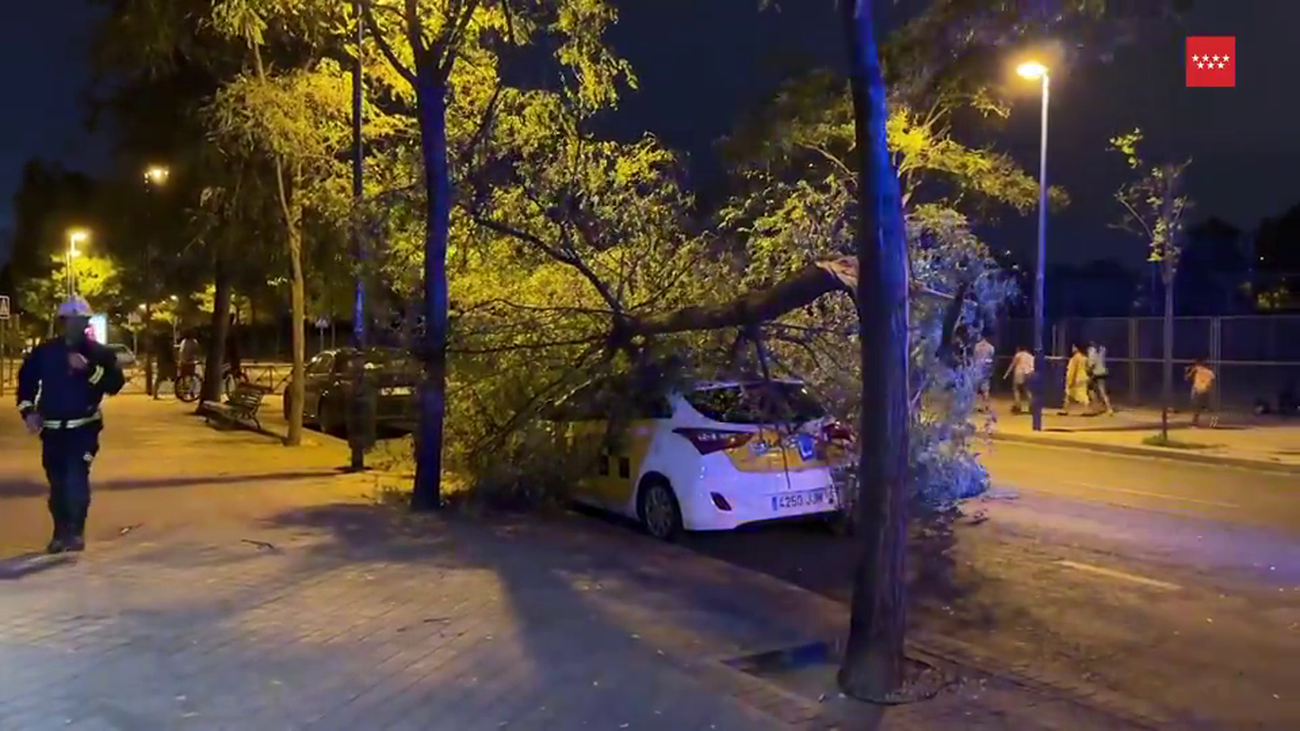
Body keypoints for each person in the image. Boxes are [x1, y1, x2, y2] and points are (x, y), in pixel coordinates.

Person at [15, 296, 125, 553]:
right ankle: (60, 531)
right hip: (52, 431)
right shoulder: (45, 353)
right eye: (70, 321)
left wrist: (89, 370)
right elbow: (26, 385)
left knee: (76, 478)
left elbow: (115, 384)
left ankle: (75, 531)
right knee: (57, 483)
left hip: (84, 430)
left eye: (80, 321)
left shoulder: (99, 353)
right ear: (61, 322)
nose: (75, 326)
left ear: (86, 323)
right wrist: (29, 412)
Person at [1059, 344, 1091, 416]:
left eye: (1073, 347)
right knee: (1076, 395)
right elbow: (1088, 368)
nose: (1072, 349)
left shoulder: (1075, 358)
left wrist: (1071, 380)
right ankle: (1066, 410)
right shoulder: (1084, 357)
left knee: (1071, 394)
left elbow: (1074, 370)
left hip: (1077, 379)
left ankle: (1086, 410)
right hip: (1083, 377)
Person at [1186, 358, 1217, 428]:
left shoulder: (1197, 370)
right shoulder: (1209, 372)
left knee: (1197, 407)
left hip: (1198, 390)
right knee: (1205, 407)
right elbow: (1212, 382)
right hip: (1205, 390)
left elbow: (1187, 377)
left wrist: (1190, 371)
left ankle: (1195, 423)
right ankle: (1211, 421)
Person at [1004, 345, 1035, 414]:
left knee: (1016, 390)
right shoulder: (1031, 356)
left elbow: (1012, 365)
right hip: (1029, 374)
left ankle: (1018, 407)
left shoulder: (1019, 355)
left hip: (1019, 373)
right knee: (1028, 390)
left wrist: (1006, 374)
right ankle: (1032, 407)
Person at [1086, 340, 1114, 416]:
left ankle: (1096, 406)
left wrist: (1088, 370)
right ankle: (1109, 408)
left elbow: (1092, 363)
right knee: (1102, 391)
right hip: (1103, 371)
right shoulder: (1103, 349)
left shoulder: (1091, 350)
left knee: (1089, 388)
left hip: (1095, 373)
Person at [973, 335, 995, 411]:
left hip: (977, 369)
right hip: (986, 369)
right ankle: (986, 405)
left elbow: (974, 357)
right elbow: (991, 358)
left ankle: (979, 406)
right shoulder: (991, 347)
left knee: (977, 390)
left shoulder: (976, 346)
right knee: (986, 389)